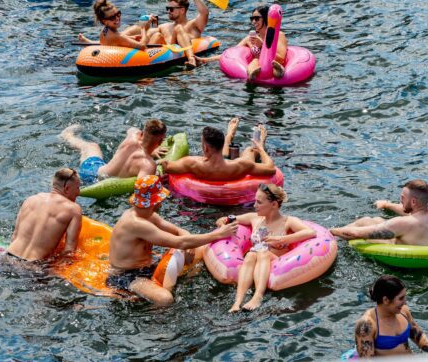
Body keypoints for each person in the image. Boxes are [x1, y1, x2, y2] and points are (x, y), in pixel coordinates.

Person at [107, 175, 238, 305]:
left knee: (197, 247)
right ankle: (155, 321)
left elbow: (179, 232)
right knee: (165, 299)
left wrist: (190, 247)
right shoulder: (136, 223)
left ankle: (187, 284)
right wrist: (219, 234)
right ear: (157, 202)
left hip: (146, 267)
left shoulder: (148, 215)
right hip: (126, 276)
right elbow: (180, 242)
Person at [215, 183, 316, 312]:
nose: (254, 205)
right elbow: (229, 219)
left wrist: (282, 239)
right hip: (255, 259)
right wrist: (222, 221)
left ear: (274, 204)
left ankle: (258, 296)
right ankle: (238, 301)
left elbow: (310, 232)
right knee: (251, 254)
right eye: (255, 201)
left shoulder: (288, 221)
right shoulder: (254, 218)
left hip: (275, 262)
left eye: (259, 202)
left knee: (261, 252)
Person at [331, 179, 428, 246]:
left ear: (413, 201)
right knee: (377, 220)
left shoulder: (405, 223)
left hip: (401, 254)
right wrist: (387, 204)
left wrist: (332, 231)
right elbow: (406, 210)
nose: (400, 200)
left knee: (365, 221)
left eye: (403, 198)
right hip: (425, 248)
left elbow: (354, 234)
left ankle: (330, 239)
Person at [353, 275, 428, 356]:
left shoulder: (403, 311)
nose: (405, 302)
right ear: (386, 300)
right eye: (401, 298)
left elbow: (418, 337)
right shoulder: (366, 326)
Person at [6, 168, 82, 261]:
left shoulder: (30, 199)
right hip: (32, 267)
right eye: (78, 188)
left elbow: (14, 237)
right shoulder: (73, 209)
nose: (79, 192)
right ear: (67, 189)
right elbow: (69, 251)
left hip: (7, 258)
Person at [60, 119, 168, 185]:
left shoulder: (132, 136)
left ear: (142, 133)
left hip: (92, 172)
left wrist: (148, 147)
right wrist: (158, 180)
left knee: (92, 146)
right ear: (161, 141)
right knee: (93, 146)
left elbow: (131, 129)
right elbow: (141, 190)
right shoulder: (148, 165)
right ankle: (67, 136)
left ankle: (67, 136)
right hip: (103, 185)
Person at [160, 121, 276, 180]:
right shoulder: (242, 165)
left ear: (205, 148)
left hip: (209, 166)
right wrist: (260, 148)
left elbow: (167, 167)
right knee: (250, 150)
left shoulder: (192, 163)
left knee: (227, 154)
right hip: (230, 168)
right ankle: (257, 142)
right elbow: (270, 169)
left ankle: (229, 134)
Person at [142, 0, 209, 67]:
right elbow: (148, 35)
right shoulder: (164, 26)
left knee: (178, 28)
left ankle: (191, 58)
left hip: (178, 60)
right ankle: (145, 63)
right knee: (156, 34)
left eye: (171, 9)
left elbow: (204, 13)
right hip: (160, 60)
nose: (168, 12)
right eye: (167, 8)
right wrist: (149, 23)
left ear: (182, 10)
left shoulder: (193, 25)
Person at [78, 0, 157, 50]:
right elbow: (142, 46)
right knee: (157, 35)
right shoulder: (116, 36)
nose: (117, 18)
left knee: (138, 30)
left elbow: (116, 41)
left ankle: (90, 43)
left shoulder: (105, 30)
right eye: (112, 17)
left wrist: (132, 38)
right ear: (104, 21)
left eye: (118, 14)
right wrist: (143, 28)